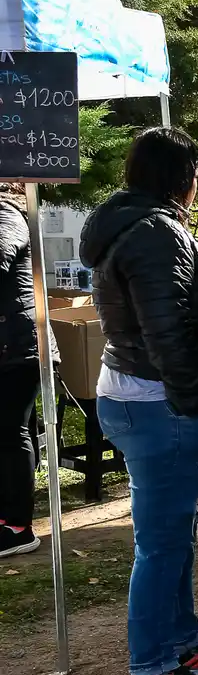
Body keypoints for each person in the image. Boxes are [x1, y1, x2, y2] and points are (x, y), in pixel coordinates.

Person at [79, 128, 198, 675]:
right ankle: (149, 669)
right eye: (196, 174)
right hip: (160, 404)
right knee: (161, 542)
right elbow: (167, 328)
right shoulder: (156, 231)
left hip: (142, 397)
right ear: (182, 177)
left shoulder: (133, 224)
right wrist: (195, 404)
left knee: (174, 535)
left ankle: (181, 641)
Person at [0, 184, 42, 559]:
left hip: (16, 348)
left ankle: (17, 525)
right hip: (11, 344)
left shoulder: (6, 213)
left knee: (11, 432)